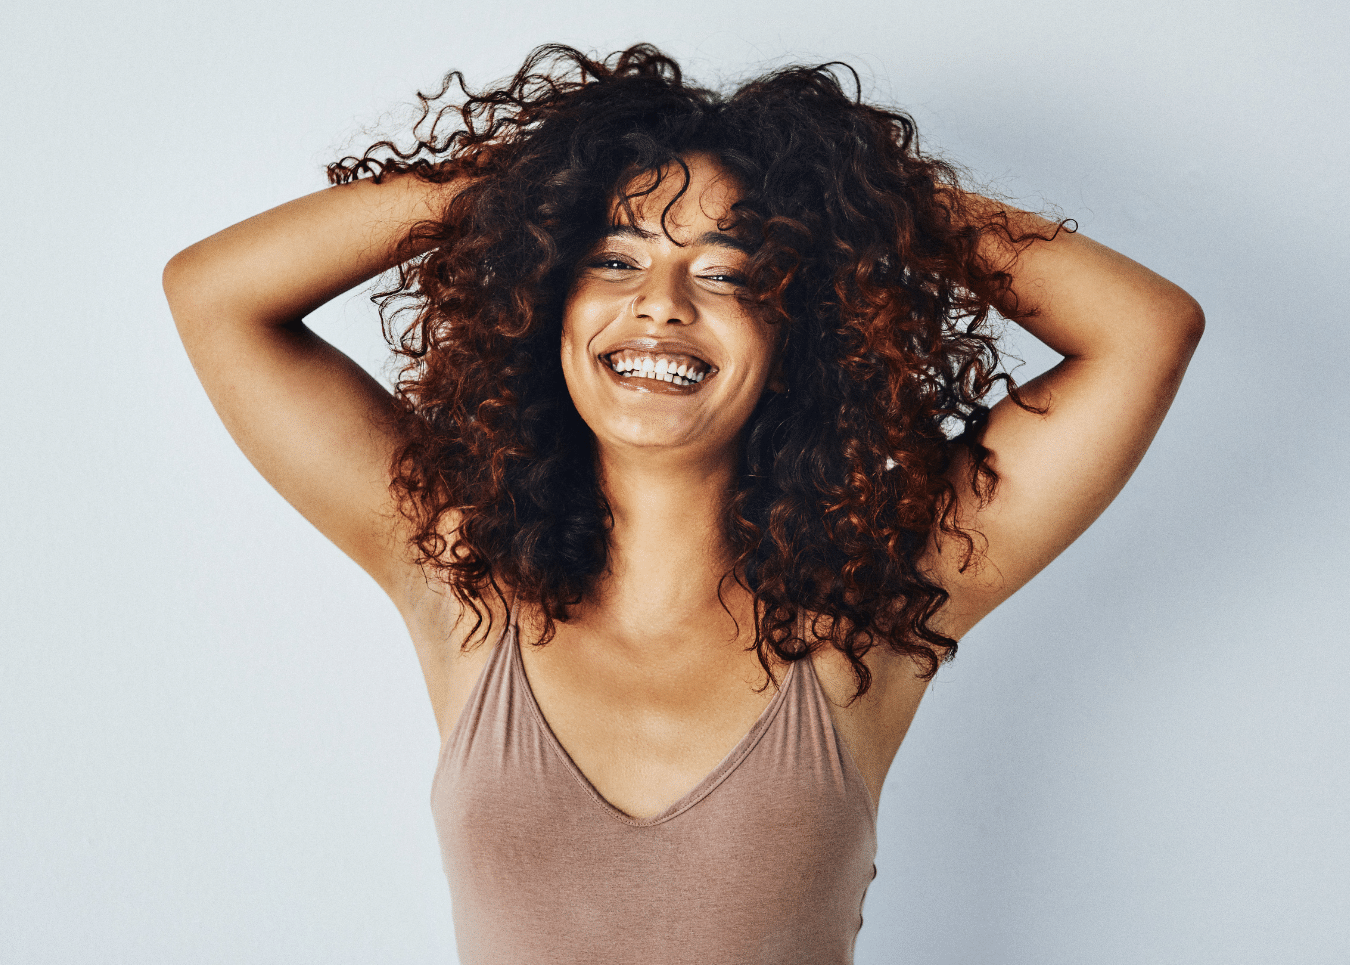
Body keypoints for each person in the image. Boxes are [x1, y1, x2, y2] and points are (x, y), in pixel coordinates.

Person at [162, 43, 1203, 965]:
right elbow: (214, 292)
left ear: (800, 326)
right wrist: (534, 181)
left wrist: (852, 203)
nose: (662, 301)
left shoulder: (875, 609)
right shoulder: (457, 565)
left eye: (731, 271)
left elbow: (1146, 328)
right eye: (614, 258)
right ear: (544, 299)